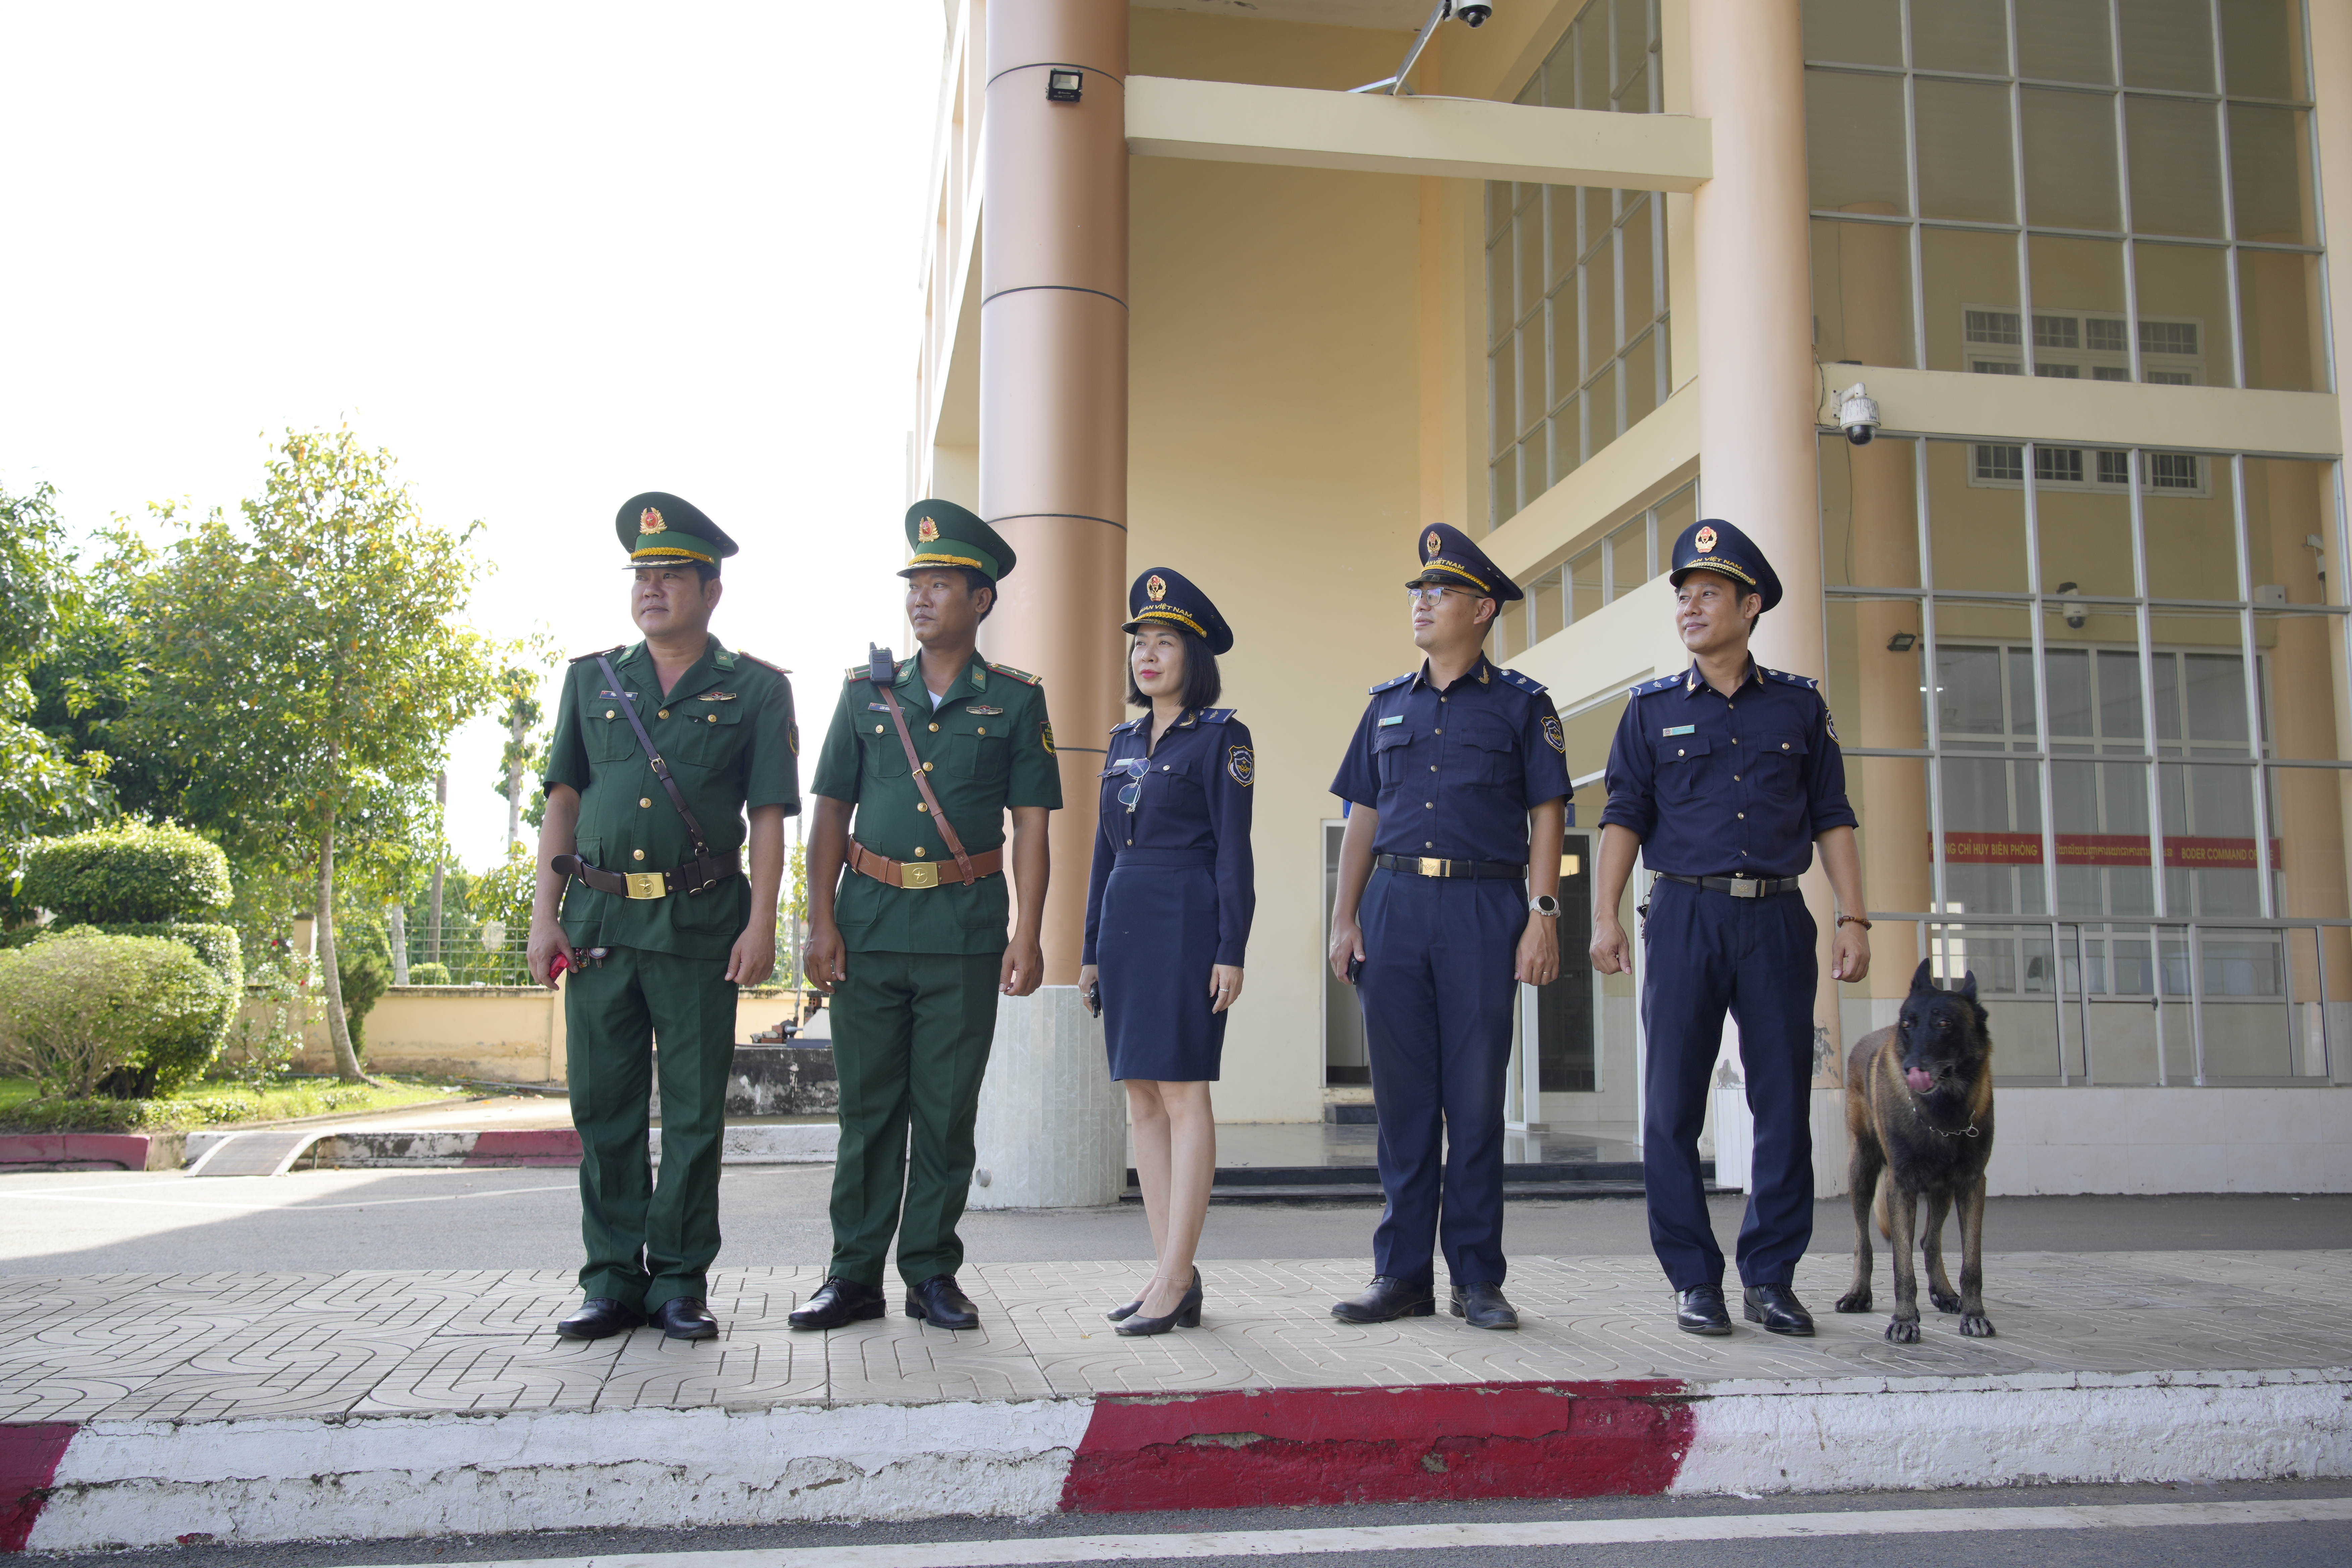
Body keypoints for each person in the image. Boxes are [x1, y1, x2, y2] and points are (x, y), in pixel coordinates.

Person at [1587, 518, 1872, 1339]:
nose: (1690, 605)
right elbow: (1623, 816)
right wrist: (1605, 914)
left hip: (1779, 918)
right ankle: (1694, 1279)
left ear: (1751, 606)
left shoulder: (1799, 705)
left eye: (1709, 592)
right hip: (1684, 916)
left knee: (1783, 1102)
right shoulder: (1649, 711)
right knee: (1672, 1108)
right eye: (1683, 594)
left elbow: (1832, 814)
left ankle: (1771, 1277)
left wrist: (1854, 916)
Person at [528, 492, 798, 1342]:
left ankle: (679, 1279)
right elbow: (563, 802)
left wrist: (763, 922)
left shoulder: (756, 688)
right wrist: (543, 917)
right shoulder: (591, 679)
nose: (651, 588)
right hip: (599, 925)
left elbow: (767, 816)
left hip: (700, 929)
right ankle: (611, 1278)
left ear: (711, 590)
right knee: (603, 1109)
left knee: (691, 1114)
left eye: (671, 574)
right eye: (642, 574)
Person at [790, 500, 1061, 1333]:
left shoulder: (1016, 701)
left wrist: (1028, 932)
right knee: (867, 1112)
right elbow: (829, 812)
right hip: (868, 927)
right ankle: (852, 1275)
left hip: (964, 933)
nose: (921, 596)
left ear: (981, 599)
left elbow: (1032, 827)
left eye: (940, 583)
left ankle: (932, 1271)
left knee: (945, 1112)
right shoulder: (865, 695)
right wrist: (820, 921)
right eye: (915, 583)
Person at [1326, 524, 1571, 1332]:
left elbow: (1548, 813)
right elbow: (1363, 815)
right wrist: (1344, 916)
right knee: (1402, 1108)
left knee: (1472, 1106)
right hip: (1394, 907)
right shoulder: (1385, 705)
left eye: (1441, 591)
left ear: (1483, 608)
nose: (1423, 602)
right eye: (1419, 591)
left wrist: (1542, 913)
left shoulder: (1523, 705)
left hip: (1482, 908)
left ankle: (1477, 1277)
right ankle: (1400, 1274)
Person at [1077, 568, 1255, 1337]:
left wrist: (1231, 946)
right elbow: (1101, 854)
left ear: (1194, 656)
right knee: (1142, 1097)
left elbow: (1234, 851)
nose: (1147, 655)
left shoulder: (1223, 737)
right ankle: (1167, 1272)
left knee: (1183, 1093)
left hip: (1187, 920)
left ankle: (1178, 1275)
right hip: (1125, 922)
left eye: (1165, 642)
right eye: (1140, 643)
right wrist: (1089, 949)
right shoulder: (1121, 742)